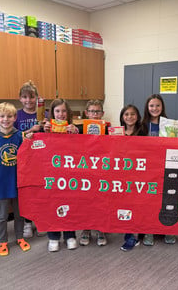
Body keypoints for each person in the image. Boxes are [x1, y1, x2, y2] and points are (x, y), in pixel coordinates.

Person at [0, 102, 31, 256]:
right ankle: (3, 242)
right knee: (2, 217)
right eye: (2, 116)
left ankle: (20, 237)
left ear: (15, 118)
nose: (6, 119)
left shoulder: (21, 136)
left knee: (20, 215)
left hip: (19, 183)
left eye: (9, 116)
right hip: (0, 185)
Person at [140, 94, 176, 245]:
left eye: (157, 105)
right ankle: (149, 230)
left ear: (162, 107)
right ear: (147, 108)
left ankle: (166, 230)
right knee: (149, 200)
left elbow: (177, 144)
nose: (155, 108)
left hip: (165, 167)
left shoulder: (171, 124)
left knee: (166, 199)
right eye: (151, 106)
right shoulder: (141, 125)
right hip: (147, 168)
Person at [44, 99, 78, 252]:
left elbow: (84, 148)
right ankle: (53, 236)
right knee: (52, 204)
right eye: (57, 111)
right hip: (52, 172)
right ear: (52, 113)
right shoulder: (46, 127)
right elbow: (36, 144)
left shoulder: (73, 128)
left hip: (69, 172)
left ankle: (70, 235)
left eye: (64, 111)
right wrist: (43, 132)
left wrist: (76, 133)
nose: (61, 114)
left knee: (70, 203)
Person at [14, 80, 44, 238]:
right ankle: (27, 222)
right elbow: (12, 136)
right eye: (25, 97)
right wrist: (31, 130)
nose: (28, 100)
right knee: (27, 192)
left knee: (40, 191)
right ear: (20, 98)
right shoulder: (16, 115)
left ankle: (39, 220)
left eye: (32, 97)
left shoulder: (43, 113)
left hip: (41, 159)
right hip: (24, 160)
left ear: (37, 98)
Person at [79, 99, 108, 247]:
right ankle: (86, 229)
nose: (95, 115)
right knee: (85, 201)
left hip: (102, 171)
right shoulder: (79, 129)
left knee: (100, 201)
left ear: (102, 114)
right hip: (85, 171)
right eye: (92, 111)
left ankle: (100, 229)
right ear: (86, 113)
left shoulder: (108, 130)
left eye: (97, 112)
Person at [119, 105, 146, 251]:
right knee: (124, 204)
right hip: (122, 176)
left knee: (136, 204)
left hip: (139, 174)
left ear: (138, 116)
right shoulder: (117, 132)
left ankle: (133, 236)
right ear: (122, 117)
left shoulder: (143, 131)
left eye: (133, 114)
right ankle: (128, 233)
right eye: (126, 114)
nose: (129, 117)